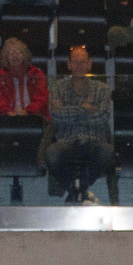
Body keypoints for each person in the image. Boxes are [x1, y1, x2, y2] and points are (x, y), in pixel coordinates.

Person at [46, 46, 113, 205]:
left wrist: (67, 109)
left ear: (89, 64)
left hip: (93, 140)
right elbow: (56, 117)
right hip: (65, 141)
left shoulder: (102, 89)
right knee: (51, 154)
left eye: (83, 62)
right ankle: (81, 191)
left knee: (107, 151)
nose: (79, 66)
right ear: (69, 65)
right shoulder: (57, 87)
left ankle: (76, 192)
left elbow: (102, 118)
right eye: (75, 62)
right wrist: (87, 109)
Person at [0, 37, 50, 118]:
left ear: (24, 55)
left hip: (34, 118)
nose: (15, 56)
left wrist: (27, 112)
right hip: (7, 119)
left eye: (18, 52)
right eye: (11, 52)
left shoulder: (36, 74)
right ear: (6, 57)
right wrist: (8, 113)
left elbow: (41, 99)